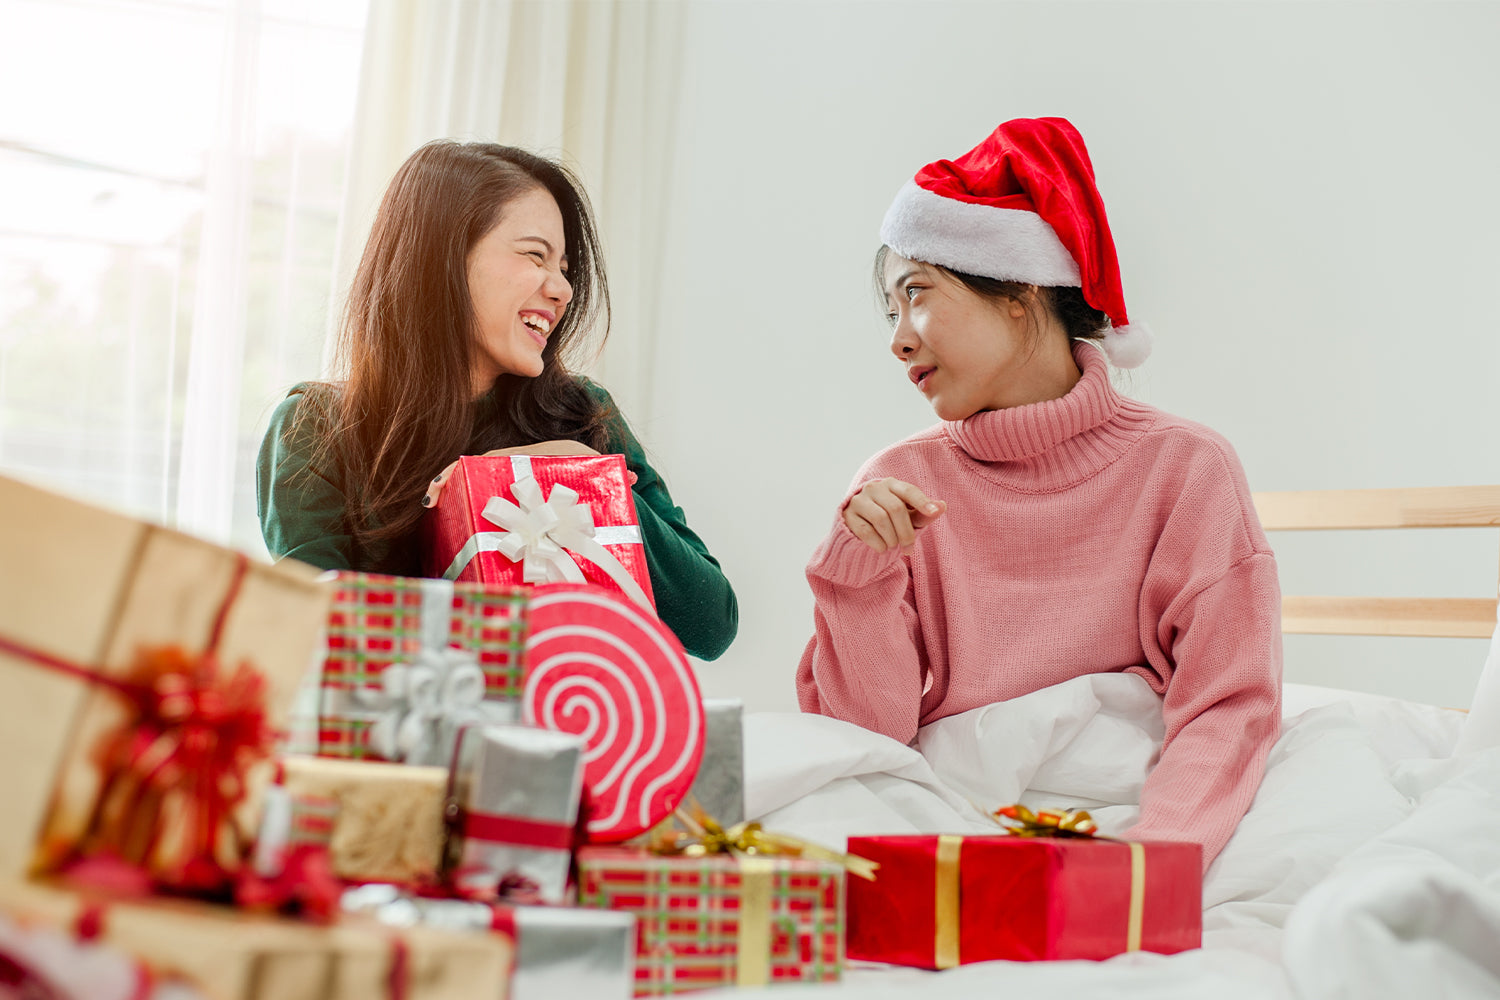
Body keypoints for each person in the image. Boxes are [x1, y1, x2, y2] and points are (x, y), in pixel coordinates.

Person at [795, 117, 1281, 866]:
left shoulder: (1187, 469)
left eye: (916, 294)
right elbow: (863, 747)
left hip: (1135, 815)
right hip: (948, 813)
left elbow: (1228, 704)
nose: (898, 337)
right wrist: (856, 579)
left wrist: (1151, 865)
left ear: (1020, 290)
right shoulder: (898, 486)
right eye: (891, 311)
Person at [257, 139, 737, 660]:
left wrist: (582, 478)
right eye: (535, 255)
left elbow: (712, 626)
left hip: (575, 727)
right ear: (440, 259)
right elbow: (328, 647)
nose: (563, 290)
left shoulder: (583, 414)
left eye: (565, 268)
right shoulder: (316, 428)